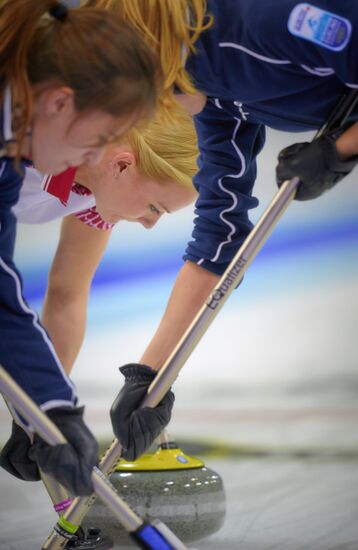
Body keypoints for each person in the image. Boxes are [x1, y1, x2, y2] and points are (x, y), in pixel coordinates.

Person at [92, 0, 358, 460]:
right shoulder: (211, 103)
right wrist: (150, 375)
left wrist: (340, 150)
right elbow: (218, 241)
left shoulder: (263, 20)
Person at [0, 0, 161, 497]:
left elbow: (34, 294)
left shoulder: (15, 161)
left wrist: (48, 410)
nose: (94, 155)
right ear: (59, 103)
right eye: (99, 139)